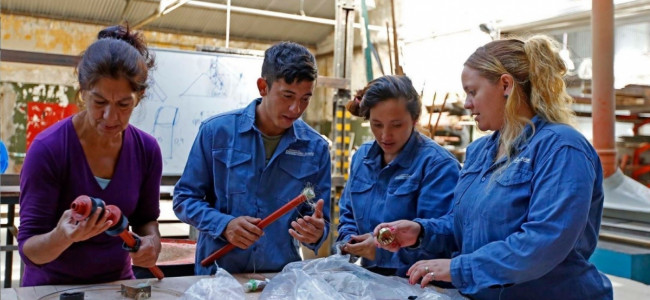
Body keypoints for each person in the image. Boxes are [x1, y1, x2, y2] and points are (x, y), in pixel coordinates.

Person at [374, 35, 613, 299]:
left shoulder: (561, 148)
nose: (466, 104)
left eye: (472, 91)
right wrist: (421, 232)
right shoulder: (480, 151)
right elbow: (466, 225)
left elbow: (544, 241)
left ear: (506, 85)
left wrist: (460, 269)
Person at [17, 25, 162, 286]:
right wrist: (61, 237)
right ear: (83, 92)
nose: (110, 117)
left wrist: (151, 243)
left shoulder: (147, 151)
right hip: (51, 288)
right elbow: (30, 250)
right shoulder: (49, 149)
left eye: (123, 104)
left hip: (116, 286)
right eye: (99, 102)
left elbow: (146, 220)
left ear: (139, 98)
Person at [173, 41, 331, 275]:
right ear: (263, 86)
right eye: (287, 96)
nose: (296, 108)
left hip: (278, 279)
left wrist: (316, 233)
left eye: (305, 99)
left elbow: (319, 218)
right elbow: (184, 199)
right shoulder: (216, 133)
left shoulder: (316, 148)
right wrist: (223, 225)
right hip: (218, 275)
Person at [337, 75, 460, 277]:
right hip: (370, 278)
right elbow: (348, 214)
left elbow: (442, 239)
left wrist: (379, 251)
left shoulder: (438, 165)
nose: (385, 135)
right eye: (377, 124)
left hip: (418, 284)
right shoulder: (362, 157)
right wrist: (350, 242)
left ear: (414, 119)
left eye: (396, 125)